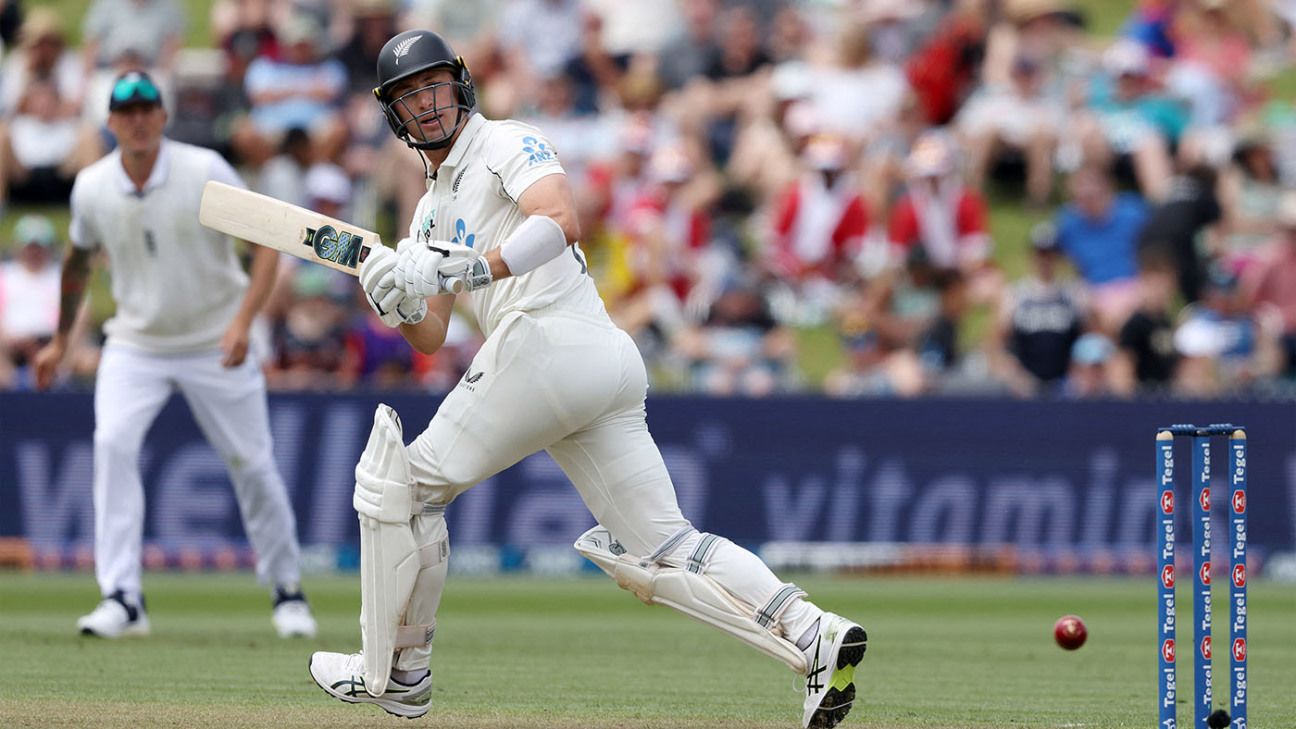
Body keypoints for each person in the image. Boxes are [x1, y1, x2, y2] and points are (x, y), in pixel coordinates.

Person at [307, 30, 867, 729]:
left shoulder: (506, 141)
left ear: (458, 84)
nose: (426, 104)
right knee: (664, 546)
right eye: (408, 96)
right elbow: (433, 331)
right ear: (394, 115)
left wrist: (469, 267)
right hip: (585, 362)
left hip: (553, 336)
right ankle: (815, 630)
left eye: (433, 86)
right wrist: (395, 299)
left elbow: (561, 220)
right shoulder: (424, 211)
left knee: (403, 490)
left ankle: (394, 671)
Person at [31, 71, 316, 640]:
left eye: (146, 108)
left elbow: (265, 247)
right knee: (112, 445)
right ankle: (122, 598)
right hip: (136, 343)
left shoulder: (204, 170)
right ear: (110, 122)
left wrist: (243, 323)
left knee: (253, 464)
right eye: (124, 109)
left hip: (217, 339)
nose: (136, 118)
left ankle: (287, 591)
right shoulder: (90, 186)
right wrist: (62, 341)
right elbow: (77, 263)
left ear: (162, 116)